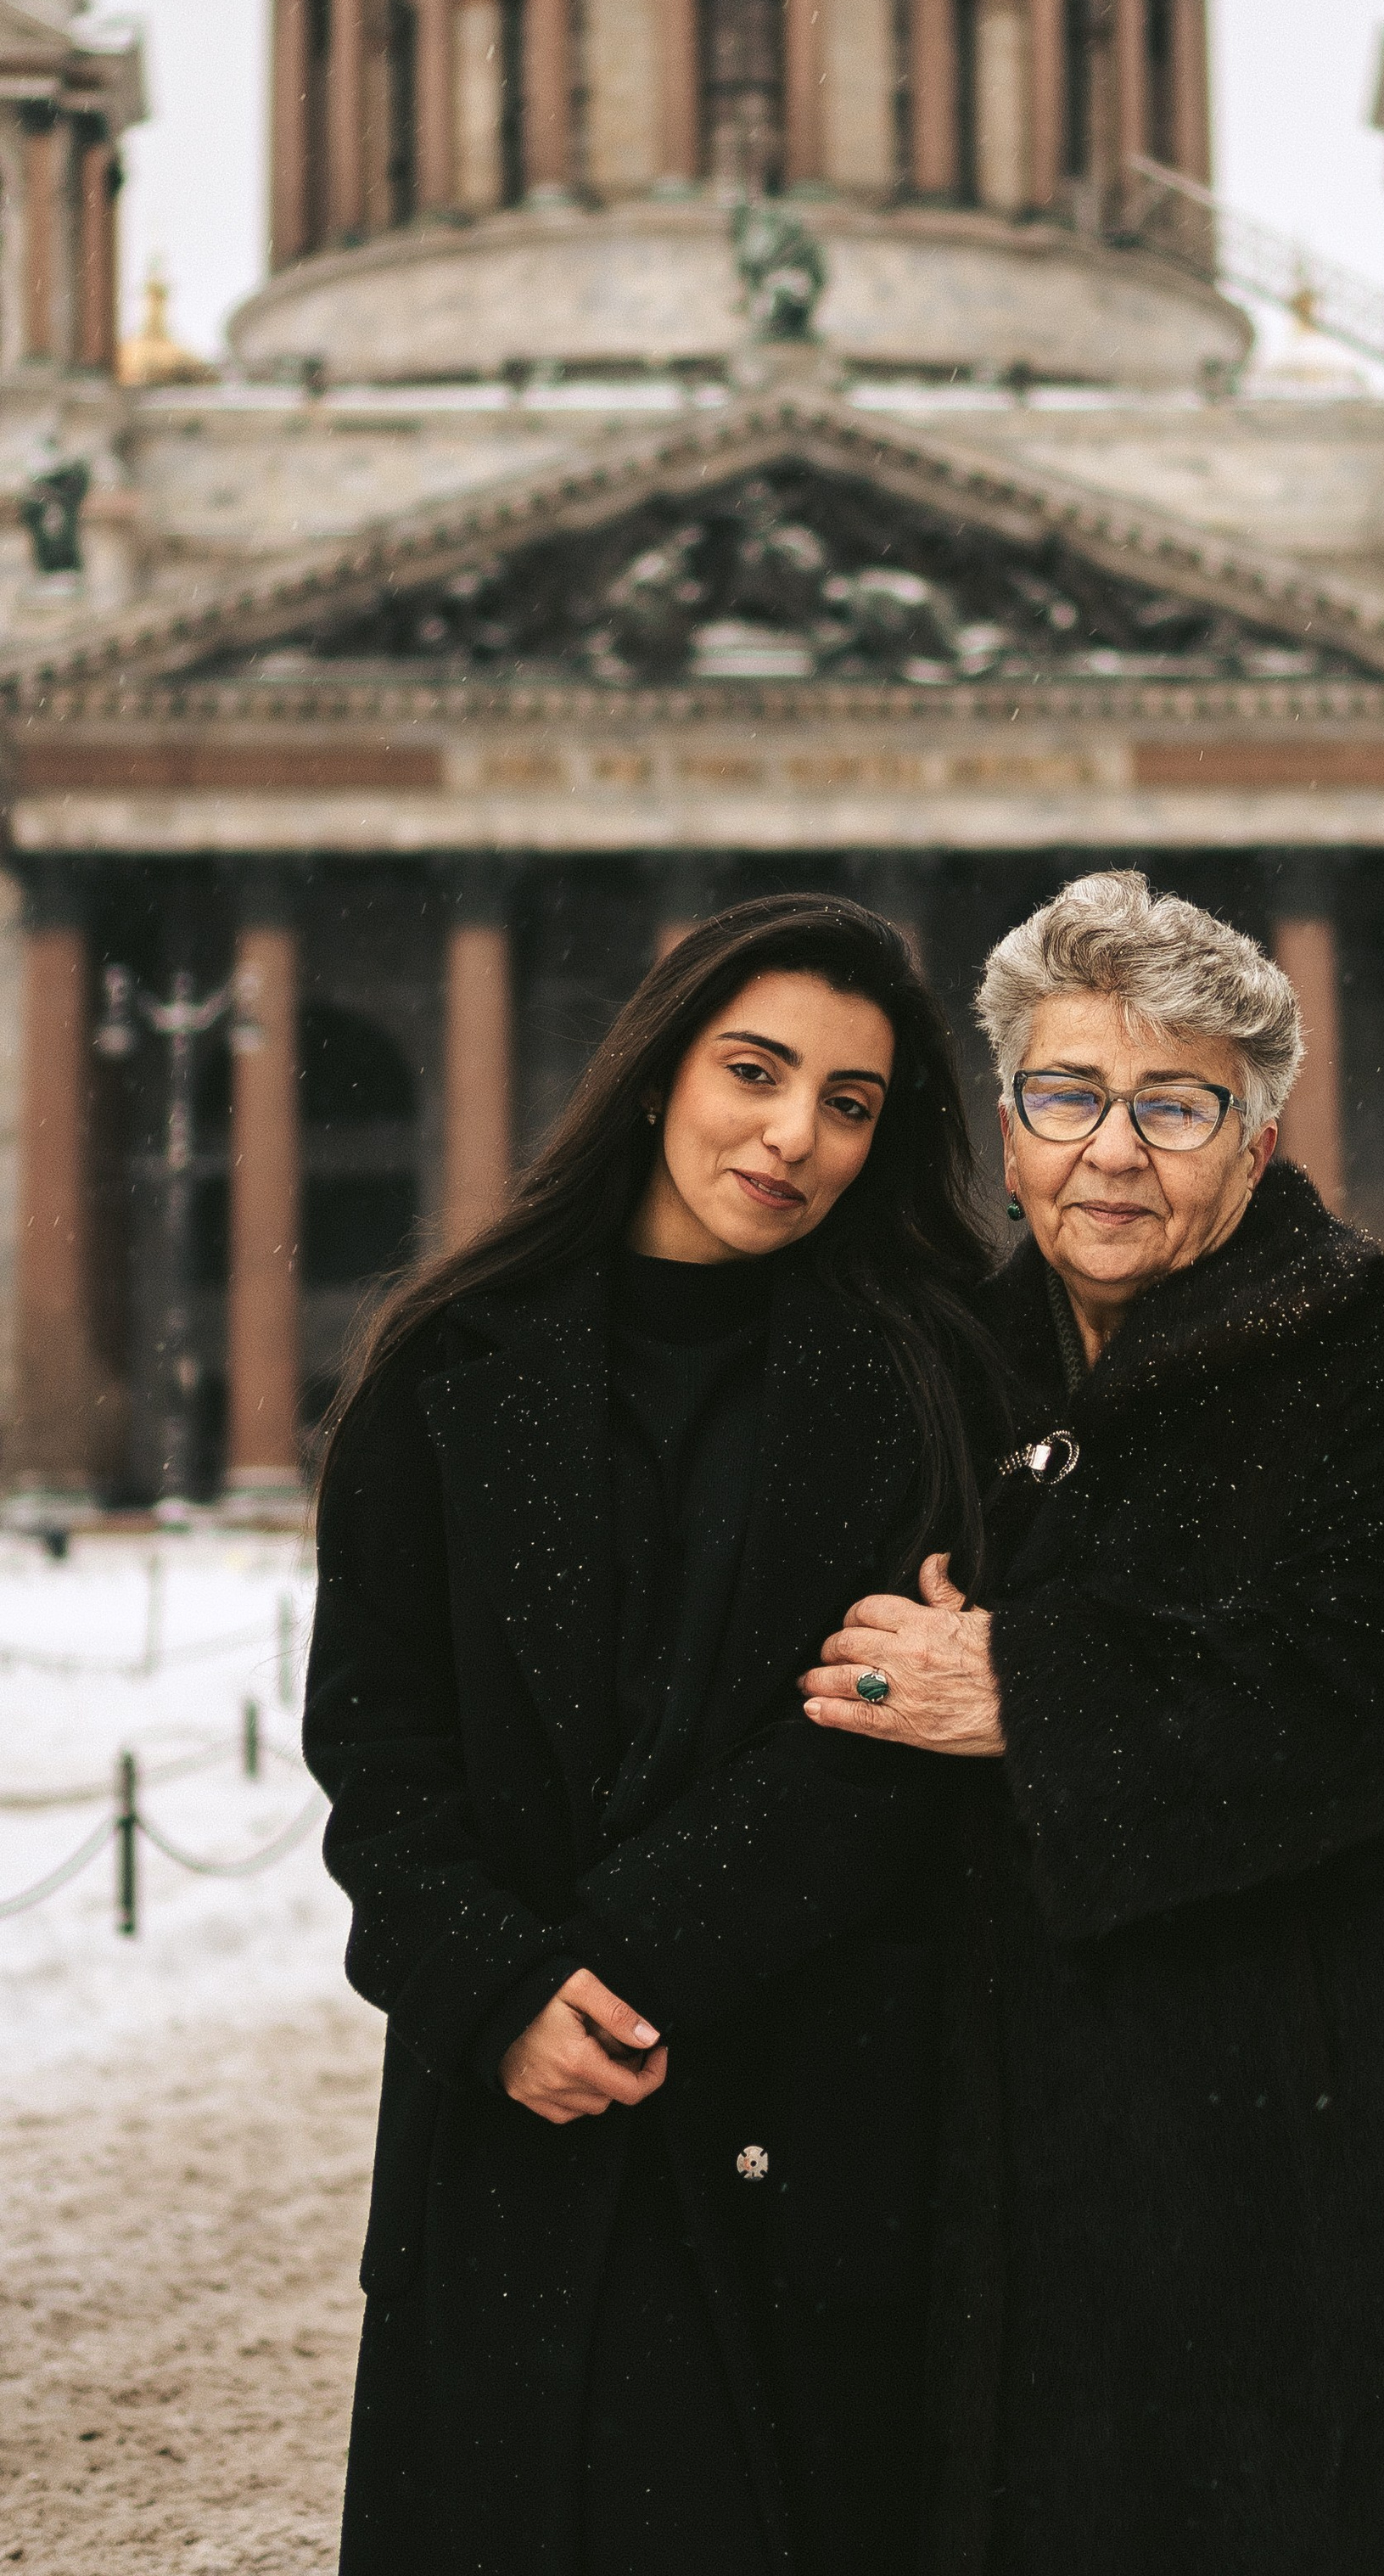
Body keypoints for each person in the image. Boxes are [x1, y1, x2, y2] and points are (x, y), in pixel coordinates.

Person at [800, 870, 1384, 2574]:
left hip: (1330, 2093)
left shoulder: (1382, 1337)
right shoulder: (933, 1361)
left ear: (1252, 1142)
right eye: (1066, 1096)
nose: (1112, 1151)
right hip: (1022, 2114)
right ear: (1007, 1129)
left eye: (1174, 1105)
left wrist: (1024, 1692)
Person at [305, 896, 1000, 2576]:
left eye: (848, 1104)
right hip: (516, 2124)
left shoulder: (936, 1372)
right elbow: (376, 1758)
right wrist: (493, 1991)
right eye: (752, 1071)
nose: (791, 1138)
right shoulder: (447, 1364)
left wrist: (607, 1964)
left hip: (803, 2104)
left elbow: (884, 1750)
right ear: (652, 1069)